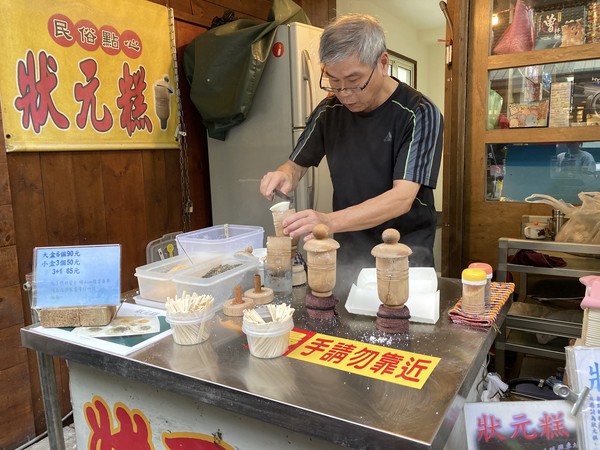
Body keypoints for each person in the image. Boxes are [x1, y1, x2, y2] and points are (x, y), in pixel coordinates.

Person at [259, 13, 443, 280]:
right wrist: (284, 174)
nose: (344, 93)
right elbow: (296, 165)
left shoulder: (419, 113)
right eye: (334, 80)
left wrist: (329, 221)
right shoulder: (329, 111)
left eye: (355, 81)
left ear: (382, 63)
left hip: (404, 255)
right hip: (348, 254)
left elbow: (402, 198)